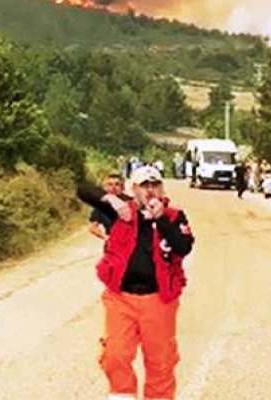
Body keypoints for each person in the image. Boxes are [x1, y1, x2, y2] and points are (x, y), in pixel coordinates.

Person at [78, 166, 194, 400]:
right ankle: (122, 394)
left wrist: (160, 219)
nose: (150, 191)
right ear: (134, 189)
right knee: (115, 355)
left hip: (159, 300)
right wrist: (111, 198)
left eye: (155, 185)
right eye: (144, 186)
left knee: (160, 362)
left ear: (162, 189)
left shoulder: (173, 216)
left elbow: (183, 247)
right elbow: (83, 190)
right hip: (121, 298)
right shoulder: (120, 211)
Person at [89, 173, 127, 240]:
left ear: (122, 187)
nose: (113, 187)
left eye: (117, 184)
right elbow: (93, 228)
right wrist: (107, 238)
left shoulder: (130, 202)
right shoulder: (101, 206)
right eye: (110, 184)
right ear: (105, 188)